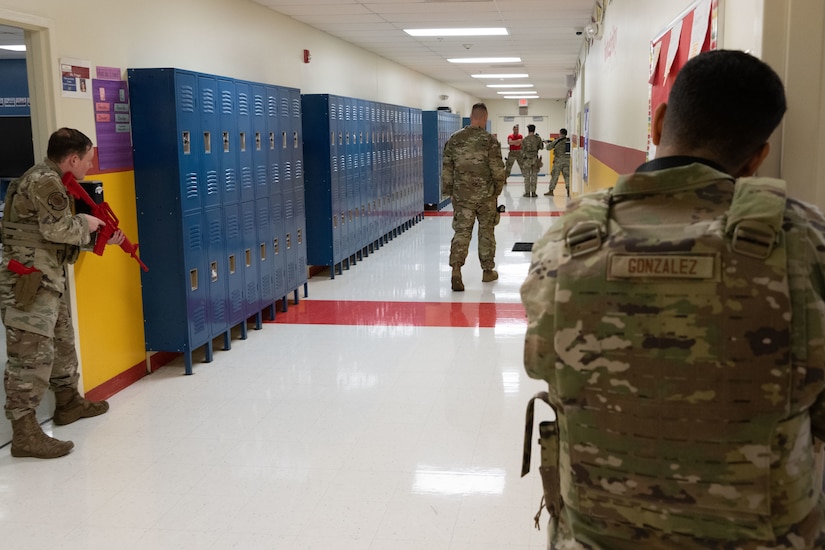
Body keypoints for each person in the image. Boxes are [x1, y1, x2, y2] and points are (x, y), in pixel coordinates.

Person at [521, 49, 825, 549]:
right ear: (757, 156)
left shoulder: (569, 239)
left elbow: (545, 368)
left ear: (659, 121)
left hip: (596, 533)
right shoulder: (804, 239)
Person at [0, 127, 124, 459]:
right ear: (72, 159)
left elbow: (51, 233)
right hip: (29, 279)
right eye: (86, 160)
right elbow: (57, 228)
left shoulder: (54, 179)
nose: (89, 167)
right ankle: (24, 432)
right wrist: (85, 223)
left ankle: (68, 403)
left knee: (61, 342)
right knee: (30, 354)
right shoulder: (45, 181)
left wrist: (97, 234)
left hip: (47, 277)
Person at [442, 103, 505, 291]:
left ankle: (456, 270)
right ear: (484, 119)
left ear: (471, 117)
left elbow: (447, 169)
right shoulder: (489, 141)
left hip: (462, 197)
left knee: (461, 232)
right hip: (486, 197)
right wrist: (496, 192)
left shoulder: (454, 139)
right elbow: (498, 171)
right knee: (486, 232)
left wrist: (450, 192)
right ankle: (487, 271)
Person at [544, 128, 570, 197]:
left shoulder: (557, 140)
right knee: (567, 176)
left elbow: (548, 148)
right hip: (567, 161)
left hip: (558, 161)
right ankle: (568, 190)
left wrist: (547, 143)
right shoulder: (568, 140)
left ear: (560, 133)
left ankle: (551, 191)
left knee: (554, 176)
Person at [520, 124, 544, 197]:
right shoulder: (538, 138)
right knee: (534, 176)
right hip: (535, 159)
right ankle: (533, 192)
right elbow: (541, 147)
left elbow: (521, 150)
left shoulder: (525, 139)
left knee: (527, 177)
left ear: (528, 130)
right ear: (534, 130)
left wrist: (524, 156)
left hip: (527, 160)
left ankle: (527, 193)